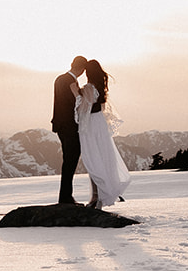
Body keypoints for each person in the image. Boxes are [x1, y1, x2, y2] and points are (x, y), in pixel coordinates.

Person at [75, 59, 131, 209]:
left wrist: (76, 93)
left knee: (93, 159)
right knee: (101, 157)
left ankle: (97, 196)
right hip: (99, 123)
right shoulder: (100, 87)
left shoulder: (88, 88)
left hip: (91, 125)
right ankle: (98, 195)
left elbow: (83, 108)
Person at [51, 56, 87, 205]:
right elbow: (72, 104)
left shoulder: (60, 79)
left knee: (69, 160)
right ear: (82, 70)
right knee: (70, 160)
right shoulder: (70, 82)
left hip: (61, 125)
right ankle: (66, 197)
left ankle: (65, 196)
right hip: (69, 126)